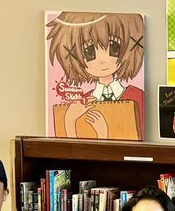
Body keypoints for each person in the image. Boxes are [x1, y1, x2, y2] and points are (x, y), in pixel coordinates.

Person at [46, 11, 146, 139]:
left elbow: (135, 145)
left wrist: (104, 135)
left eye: (113, 47)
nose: (102, 60)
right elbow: (72, 152)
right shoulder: (81, 104)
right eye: (89, 52)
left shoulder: (138, 97)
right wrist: (69, 121)